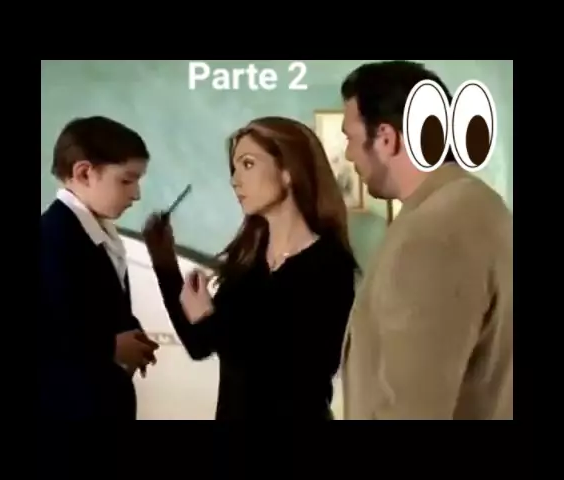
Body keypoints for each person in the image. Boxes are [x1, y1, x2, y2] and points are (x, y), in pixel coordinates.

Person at [143, 116, 358, 420]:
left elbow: (296, 375)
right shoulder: (248, 264)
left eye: (247, 164)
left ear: (288, 171)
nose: (235, 180)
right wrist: (164, 262)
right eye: (234, 168)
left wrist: (209, 319)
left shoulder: (329, 266)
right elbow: (200, 343)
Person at [339, 61, 513, 420]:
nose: (349, 154)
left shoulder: (435, 231)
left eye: (351, 139)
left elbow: (413, 408)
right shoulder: (482, 206)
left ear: (385, 138)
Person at [40, 115, 159, 420]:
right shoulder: (51, 237)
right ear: (84, 173)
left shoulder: (99, 231)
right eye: (126, 180)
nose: (136, 194)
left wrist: (131, 332)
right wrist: (110, 347)